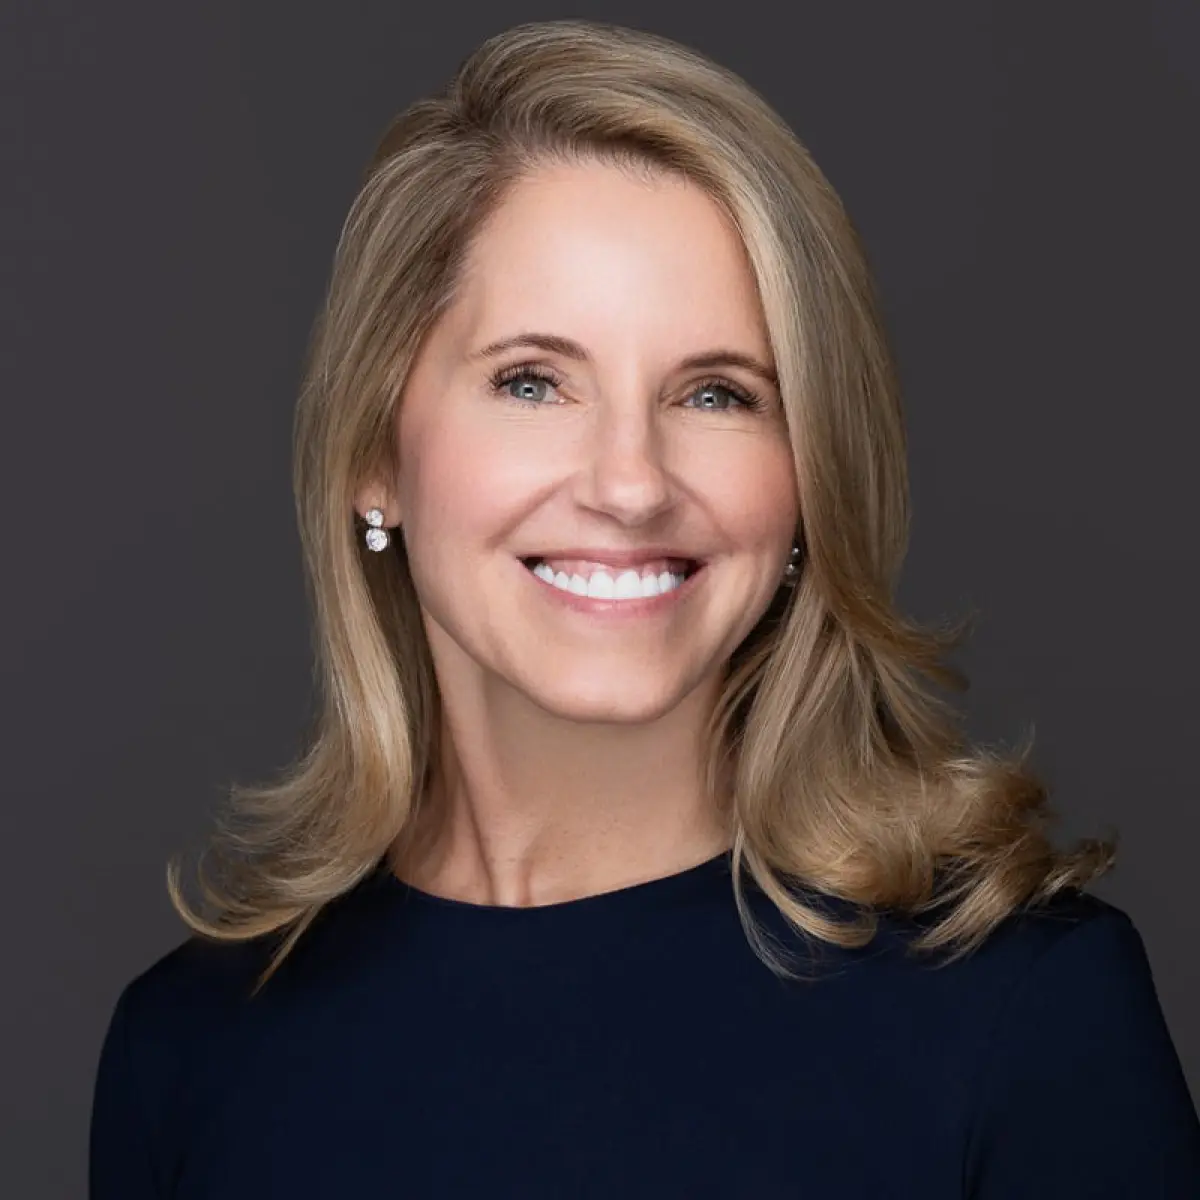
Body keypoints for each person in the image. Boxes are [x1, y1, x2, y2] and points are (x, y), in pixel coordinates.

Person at [89, 18, 1200, 1198]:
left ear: (808, 482)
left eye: (717, 394)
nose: (629, 482)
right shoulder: (191, 1048)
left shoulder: (1027, 1015)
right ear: (376, 455)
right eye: (533, 381)